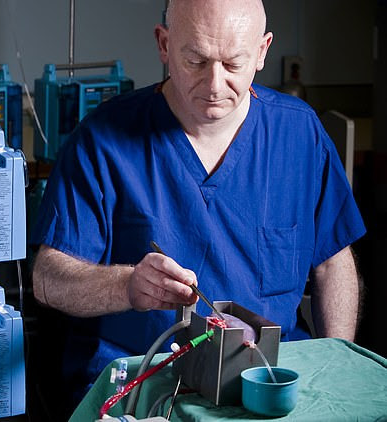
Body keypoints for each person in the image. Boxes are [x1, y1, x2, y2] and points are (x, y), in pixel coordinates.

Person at [29, 0, 366, 417]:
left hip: (268, 378)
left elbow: (333, 264)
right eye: (196, 60)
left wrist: (331, 362)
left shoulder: (298, 133)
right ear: (164, 44)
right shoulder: (103, 140)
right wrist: (127, 286)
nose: (214, 83)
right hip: (143, 382)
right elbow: (48, 278)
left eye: (233, 63)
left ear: (262, 52)